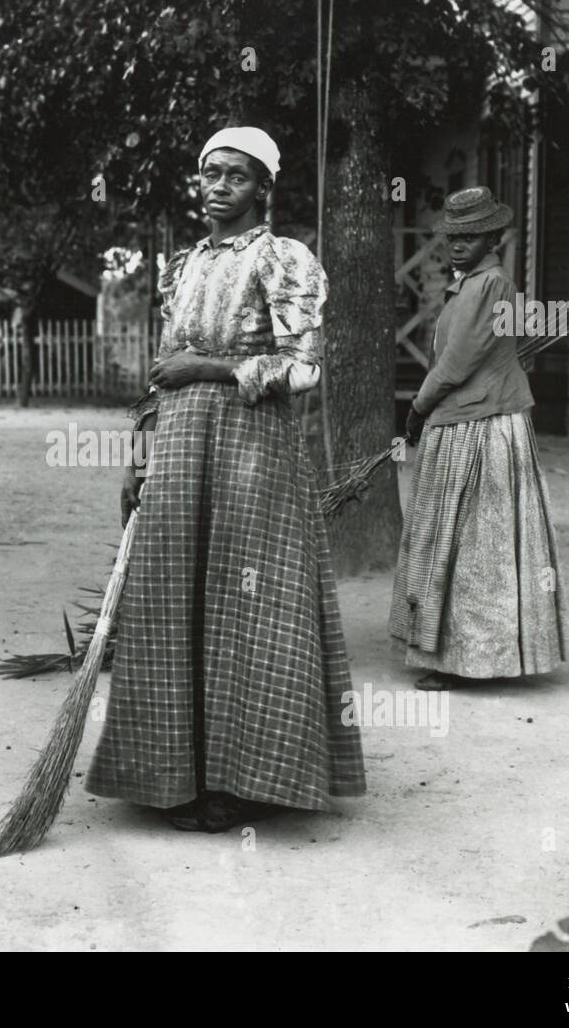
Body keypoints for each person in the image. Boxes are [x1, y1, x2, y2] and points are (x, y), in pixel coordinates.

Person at [84, 126, 366, 833]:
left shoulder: (282, 259)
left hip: (251, 447)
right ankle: (175, 772)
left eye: (235, 176)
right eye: (209, 174)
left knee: (249, 604)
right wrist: (140, 456)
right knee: (175, 601)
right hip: (179, 445)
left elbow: (305, 368)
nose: (217, 187)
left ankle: (246, 782)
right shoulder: (183, 266)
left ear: (262, 188)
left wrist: (208, 371)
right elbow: (162, 372)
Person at [390, 186, 569, 691]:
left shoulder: (487, 285)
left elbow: (456, 362)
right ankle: (463, 652)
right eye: (452, 236)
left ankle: (464, 658)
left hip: (479, 426)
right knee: (470, 543)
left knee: (472, 545)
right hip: (472, 419)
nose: (456, 245)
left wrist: (417, 407)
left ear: (492, 236)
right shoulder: (479, 284)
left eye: (469, 236)